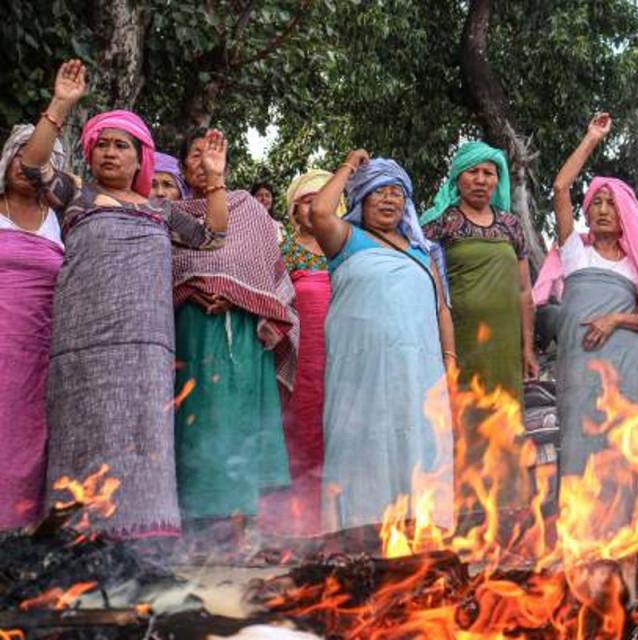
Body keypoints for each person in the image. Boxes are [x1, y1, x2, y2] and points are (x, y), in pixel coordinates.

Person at [20, 60, 228, 538]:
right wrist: (61, 106)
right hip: (82, 351)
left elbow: (212, 238)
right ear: (89, 156)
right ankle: (76, 540)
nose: (111, 153)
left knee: (142, 442)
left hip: (146, 351)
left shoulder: (160, 209)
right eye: (103, 145)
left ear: (140, 160)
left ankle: (145, 540)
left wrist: (214, 178)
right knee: (83, 438)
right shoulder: (76, 194)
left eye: (123, 146)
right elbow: (32, 166)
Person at [308, 151, 455, 542]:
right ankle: (359, 534)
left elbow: (441, 309)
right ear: (362, 199)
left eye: (396, 193)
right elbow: (319, 213)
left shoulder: (423, 252)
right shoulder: (346, 238)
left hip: (418, 372)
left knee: (418, 440)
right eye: (378, 192)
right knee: (362, 439)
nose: (389, 200)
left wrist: (450, 360)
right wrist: (348, 168)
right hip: (360, 373)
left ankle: (418, 534)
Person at [535, 113, 638, 535]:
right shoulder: (575, 252)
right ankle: (580, 537)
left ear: (625, 213)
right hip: (581, 367)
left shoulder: (633, 264)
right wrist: (591, 137)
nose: (603, 210)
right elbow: (559, 187)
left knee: (622, 445)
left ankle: (624, 535)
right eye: (597, 204)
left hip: (624, 366)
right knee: (578, 441)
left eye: (611, 203)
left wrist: (615, 318)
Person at [172, 129, 296, 546]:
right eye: (195, 153)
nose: (203, 161)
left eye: (212, 154)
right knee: (192, 428)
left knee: (240, 426)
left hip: (241, 336)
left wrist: (236, 295)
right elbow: (161, 274)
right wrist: (192, 288)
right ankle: (194, 533)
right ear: (184, 166)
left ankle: (245, 533)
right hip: (188, 335)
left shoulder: (249, 211)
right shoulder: (169, 212)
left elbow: (267, 271)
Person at [421, 140, 537, 516]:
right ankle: (466, 509)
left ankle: (509, 508)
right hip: (461, 341)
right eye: (474, 171)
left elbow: (524, 291)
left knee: (505, 420)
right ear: (458, 177)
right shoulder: (441, 222)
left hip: (505, 346)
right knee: (464, 419)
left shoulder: (511, 225)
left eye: (490, 173)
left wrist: (527, 347)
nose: (482, 180)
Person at [0, 125, 65, 530]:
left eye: (39, 158)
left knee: (30, 438)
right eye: (21, 154)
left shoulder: (60, 221)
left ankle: (16, 531)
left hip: (40, 351)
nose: (28, 164)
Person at [273, 169, 344, 536]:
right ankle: (303, 522)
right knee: (304, 431)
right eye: (305, 203)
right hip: (302, 360)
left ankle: (342, 518)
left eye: (321, 201)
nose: (313, 208)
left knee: (343, 429)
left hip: (345, 356)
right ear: (293, 212)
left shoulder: (347, 247)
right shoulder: (283, 251)